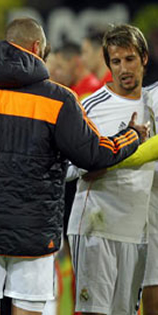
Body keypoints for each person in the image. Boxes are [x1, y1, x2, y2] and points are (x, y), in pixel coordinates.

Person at [0, 18, 146, 315]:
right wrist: (132, 135)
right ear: (37, 47)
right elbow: (94, 155)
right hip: (34, 231)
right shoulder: (57, 98)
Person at [67, 24, 153, 315]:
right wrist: (94, 162)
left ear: (144, 58)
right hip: (95, 226)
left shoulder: (153, 104)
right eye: (115, 61)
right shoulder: (90, 106)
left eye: (129, 59)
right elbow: (65, 166)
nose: (123, 68)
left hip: (136, 231)